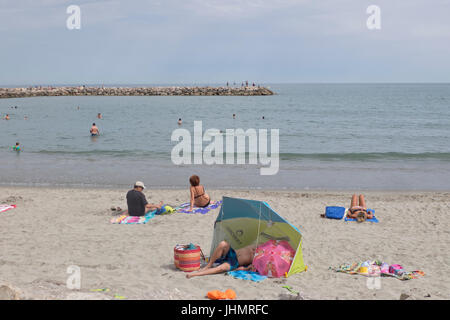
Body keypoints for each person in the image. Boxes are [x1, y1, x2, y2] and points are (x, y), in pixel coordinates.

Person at [186, 241, 256, 278]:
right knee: (223, 244)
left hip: (234, 262)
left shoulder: (260, 258)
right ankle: (208, 265)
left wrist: (246, 269)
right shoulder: (258, 244)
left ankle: (195, 274)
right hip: (232, 252)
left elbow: (244, 268)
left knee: (221, 268)